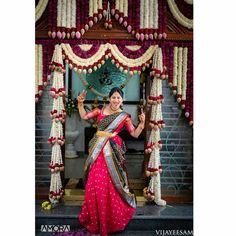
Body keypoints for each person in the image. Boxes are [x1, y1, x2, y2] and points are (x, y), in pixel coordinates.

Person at [77, 87, 145, 236]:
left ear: (122, 100)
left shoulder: (124, 117)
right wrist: (80, 104)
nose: (116, 100)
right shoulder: (99, 111)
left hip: (113, 150)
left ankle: (111, 215)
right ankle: (96, 214)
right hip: (97, 148)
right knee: (96, 180)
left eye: (118, 98)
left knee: (111, 180)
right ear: (109, 98)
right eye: (113, 97)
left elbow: (134, 133)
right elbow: (84, 116)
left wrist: (141, 124)